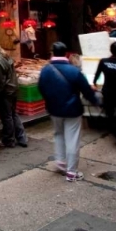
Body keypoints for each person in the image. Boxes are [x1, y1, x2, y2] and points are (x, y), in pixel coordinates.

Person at [38, 42, 100, 182]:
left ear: (53, 53)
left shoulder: (45, 70)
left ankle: (60, 161)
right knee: (72, 140)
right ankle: (71, 172)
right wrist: (96, 102)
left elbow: (41, 87)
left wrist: (49, 101)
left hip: (54, 109)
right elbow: (87, 91)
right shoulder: (74, 71)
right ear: (66, 54)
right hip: (72, 110)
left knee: (58, 135)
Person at [0, 40, 28, 148]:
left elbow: (0, 82)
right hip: (13, 88)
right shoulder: (6, 56)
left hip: (6, 91)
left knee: (7, 116)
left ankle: (9, 140)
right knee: (13, 114)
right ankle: (22, 137)